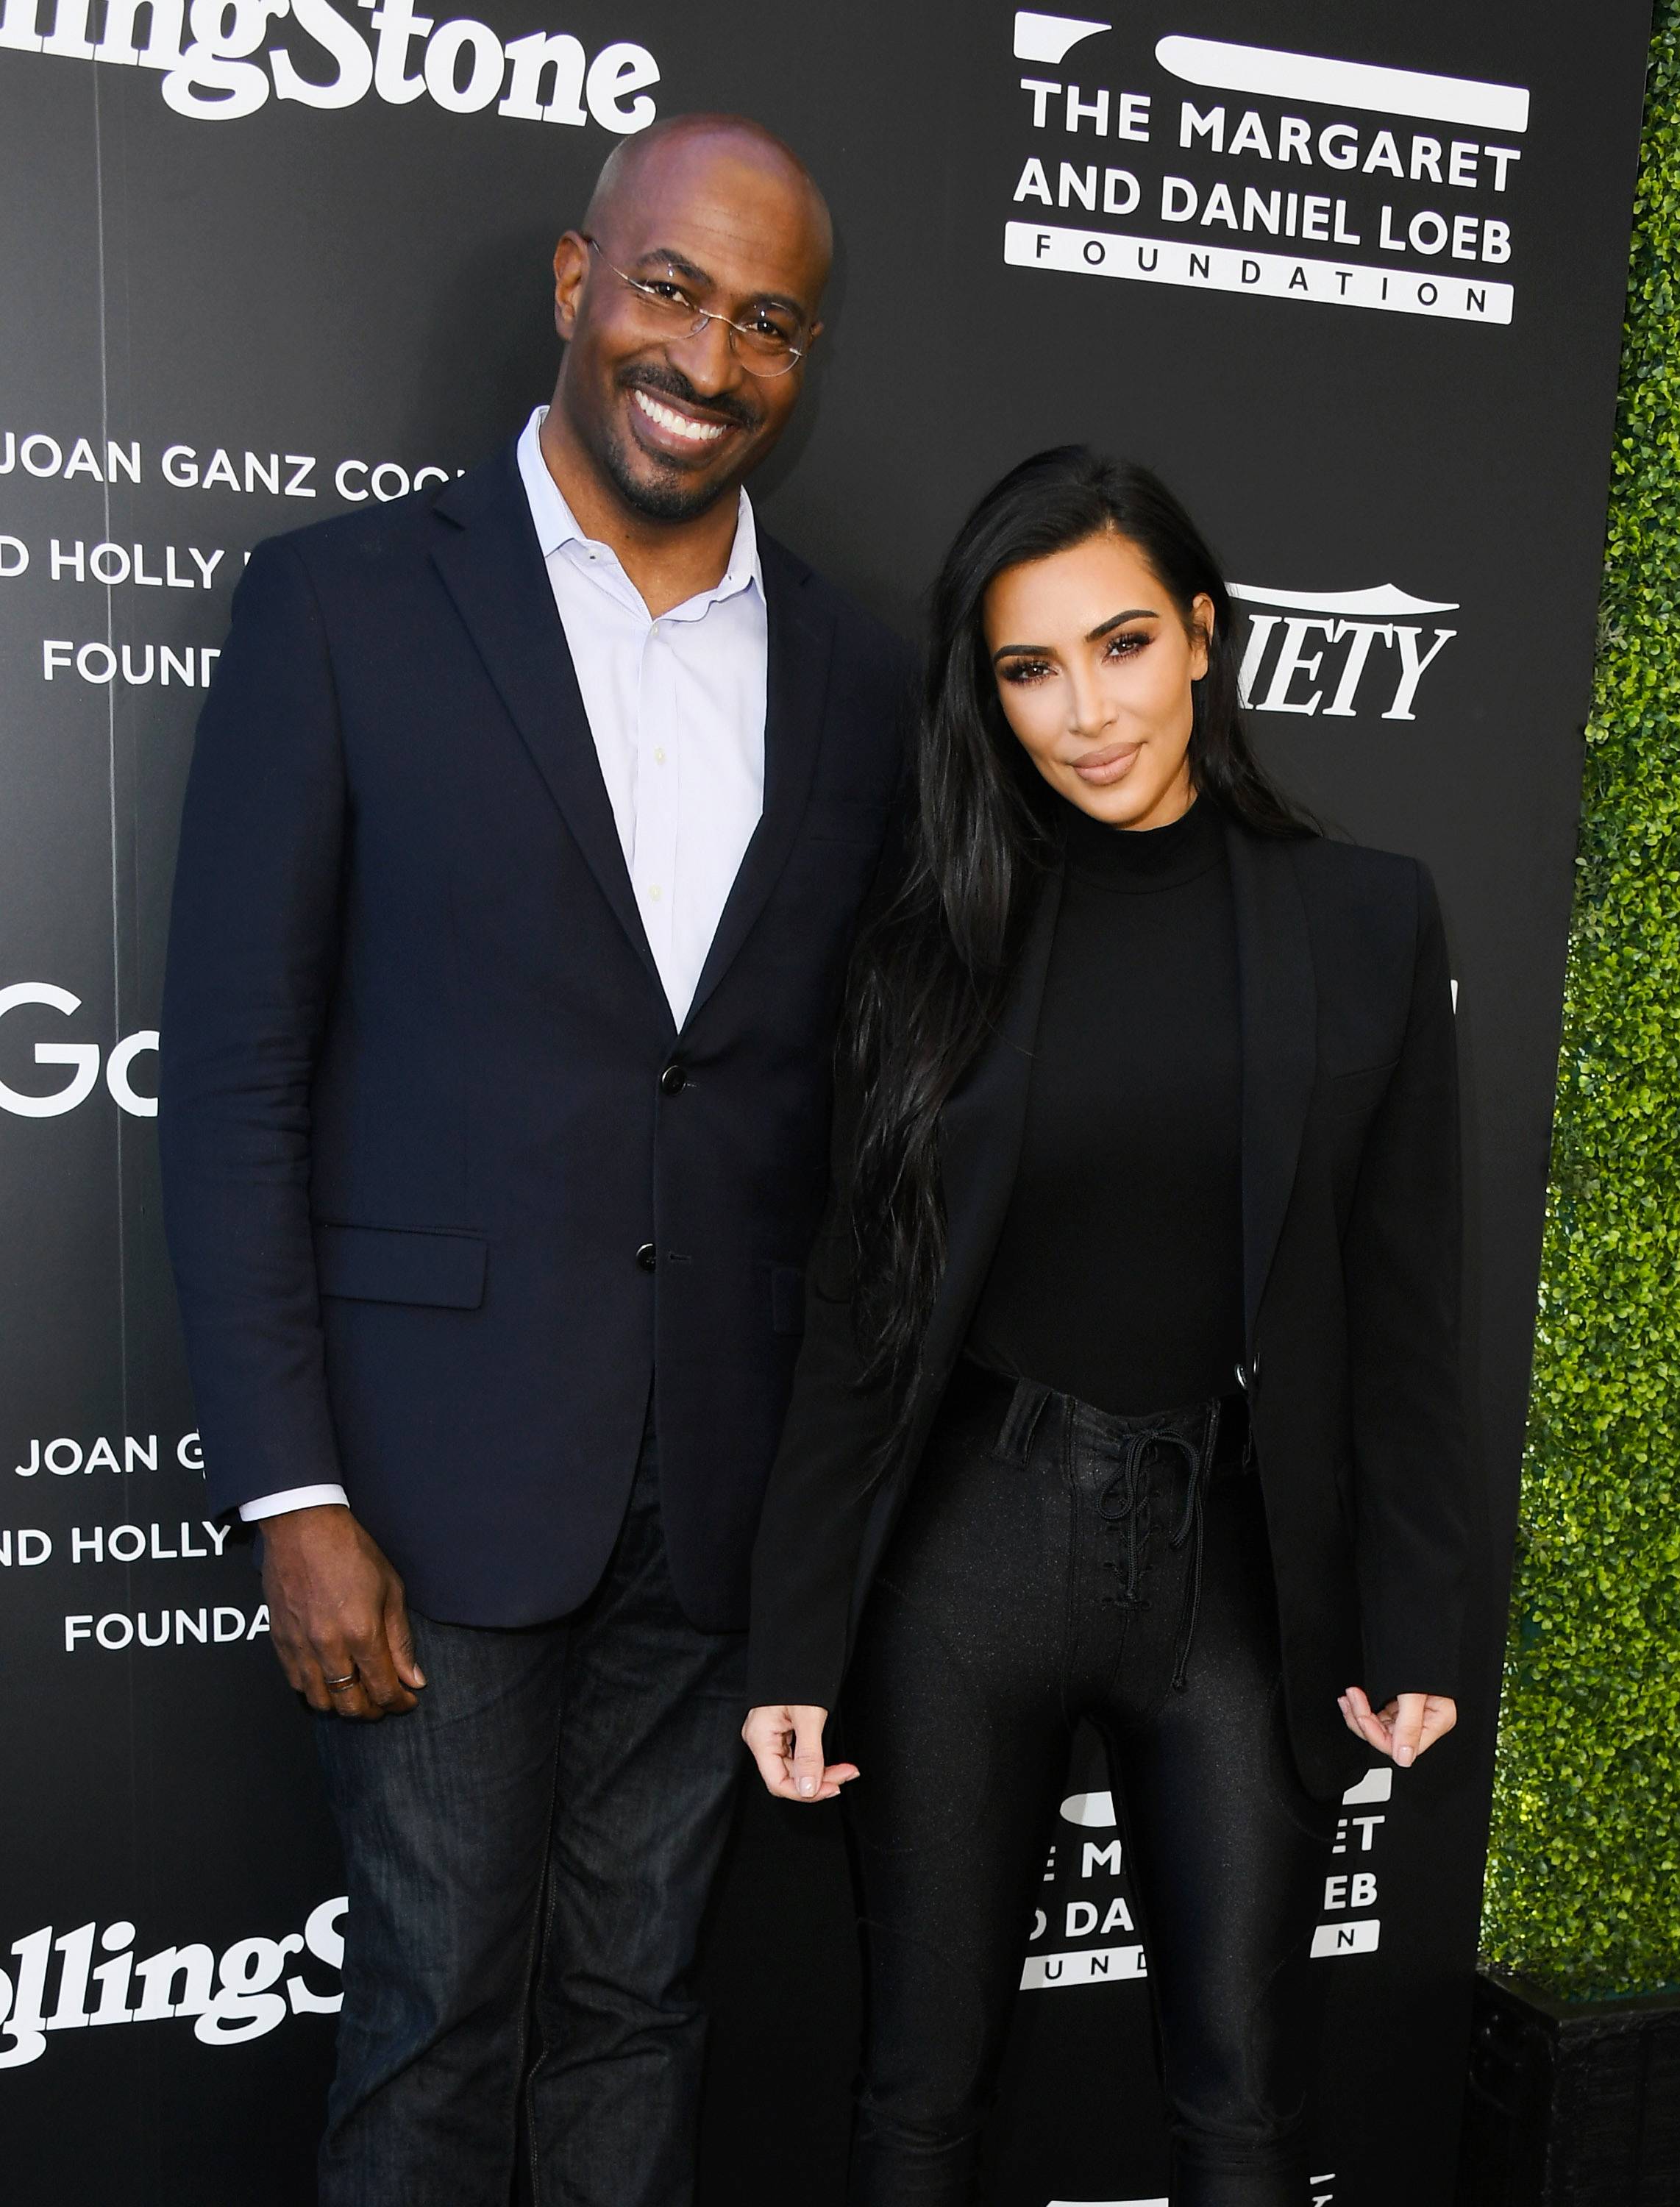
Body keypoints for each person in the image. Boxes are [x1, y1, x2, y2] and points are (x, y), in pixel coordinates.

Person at [158, 115, 910, 2206]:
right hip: (422, 1489)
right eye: (671, 287)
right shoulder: (338, 607)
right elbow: (233, 1082)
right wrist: (292, 1492)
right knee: (432, 2024)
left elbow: (839, 1101)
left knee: (640, 2012)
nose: (707, 352)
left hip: (722, 1494)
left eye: (764, 321)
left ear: (804, 355)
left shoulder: (857, 675)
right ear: (577, 283)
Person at [741, 447, 1470, 2206]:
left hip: (1228, 1561)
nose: (1086, 711)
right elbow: (862, 1296)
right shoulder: (934, 928)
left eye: (1125, 644)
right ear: (985, 695)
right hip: (966, 1556)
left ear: (1206, 637)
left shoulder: (1365, 920)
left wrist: (1416, 1612)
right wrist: (794, 1637)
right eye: (1030, 668)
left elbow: (1406, 1302)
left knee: (1243, 2094)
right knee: (920, 2091)